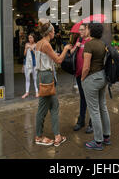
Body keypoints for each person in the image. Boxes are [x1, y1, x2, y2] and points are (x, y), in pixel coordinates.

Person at [34, 19, 72, 147]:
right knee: (46, 107)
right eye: (54, 31)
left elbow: (46, 58)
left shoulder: (39, 43)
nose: (54, 33)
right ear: (49, 32)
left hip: (42, 75)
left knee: (51, 106)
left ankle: (55, 136)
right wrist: (66, 48)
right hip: (47, 76)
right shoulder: (46, 44)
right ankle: (41, 136)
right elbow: (59, 61)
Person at [81, 23, 111, 151]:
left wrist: (82, 79)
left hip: (92, 79)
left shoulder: (89, 44)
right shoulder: (102, 43)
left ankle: (97, 142)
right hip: (103, 77)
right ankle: (106, 137)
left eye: (87, 28)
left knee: (94, 111)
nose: (85, 29)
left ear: (91, 30)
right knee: (102, 107)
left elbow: (86, 67)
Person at [70, 24, 93, 133]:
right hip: (79, 74)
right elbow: (71, 52)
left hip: (88, 75)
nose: (81, 32)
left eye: (82, 30)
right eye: (80, 30)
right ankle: (81, 120)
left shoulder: (91, 41)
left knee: (91, 99)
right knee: (82, 98)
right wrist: (76, 46)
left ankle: (92, 122)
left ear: (88, 29)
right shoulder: (79, 40)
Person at [22, 33, 38, 99]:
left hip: (34, 64)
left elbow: (37, 55)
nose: (30, 39)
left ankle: (37, 92)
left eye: (31, 37)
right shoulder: (26, 44)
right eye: (29, 38)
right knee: (27, 78)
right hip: (27, 64)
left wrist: (32, 49)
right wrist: (26, 48)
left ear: (34, 38)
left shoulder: (36, 45)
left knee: (35, 78)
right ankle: (27, 92)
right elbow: (24, 54)